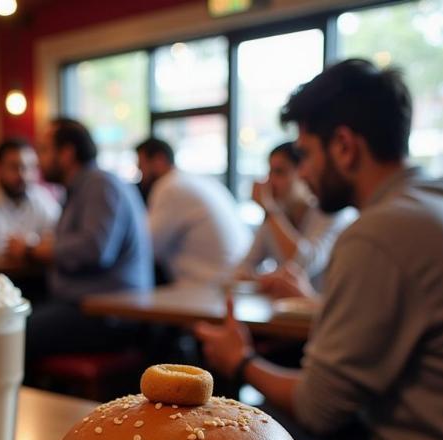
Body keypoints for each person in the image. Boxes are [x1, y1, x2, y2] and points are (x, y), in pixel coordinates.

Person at [195, 59, 443, 440]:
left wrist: (240, 359)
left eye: (305, 154)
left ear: (344, 146)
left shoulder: (379, 231)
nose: (303, 172)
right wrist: (316, 303)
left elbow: (318, 407)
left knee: (228, 435)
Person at [24, 118, 153, 363]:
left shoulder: (99, 184)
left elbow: (94, 249)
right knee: (14, 315)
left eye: (43, 149)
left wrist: (35, 251)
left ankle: (31, 401)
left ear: (67, 153)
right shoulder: (82, 187)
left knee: (17, 332)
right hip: (89, 304)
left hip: (110, 312)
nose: (38, 159)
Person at [235, 141, 355, 297]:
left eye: (279, 172)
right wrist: (264, 280)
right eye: (269, 172)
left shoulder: (331, 212)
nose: (270, 181)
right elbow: (241, 269)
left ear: (303, 172)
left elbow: (303, 264)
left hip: (320, 316)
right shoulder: (274, 218)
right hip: (284, 315)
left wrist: (271, 212)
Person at [136, 137, 250, 285]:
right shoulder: (195, 181)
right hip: (231, 281)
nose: (140, 176)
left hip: (207, 287)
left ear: (159, 160)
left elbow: (145, 247)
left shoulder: (169, 187)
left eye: (141, 167)